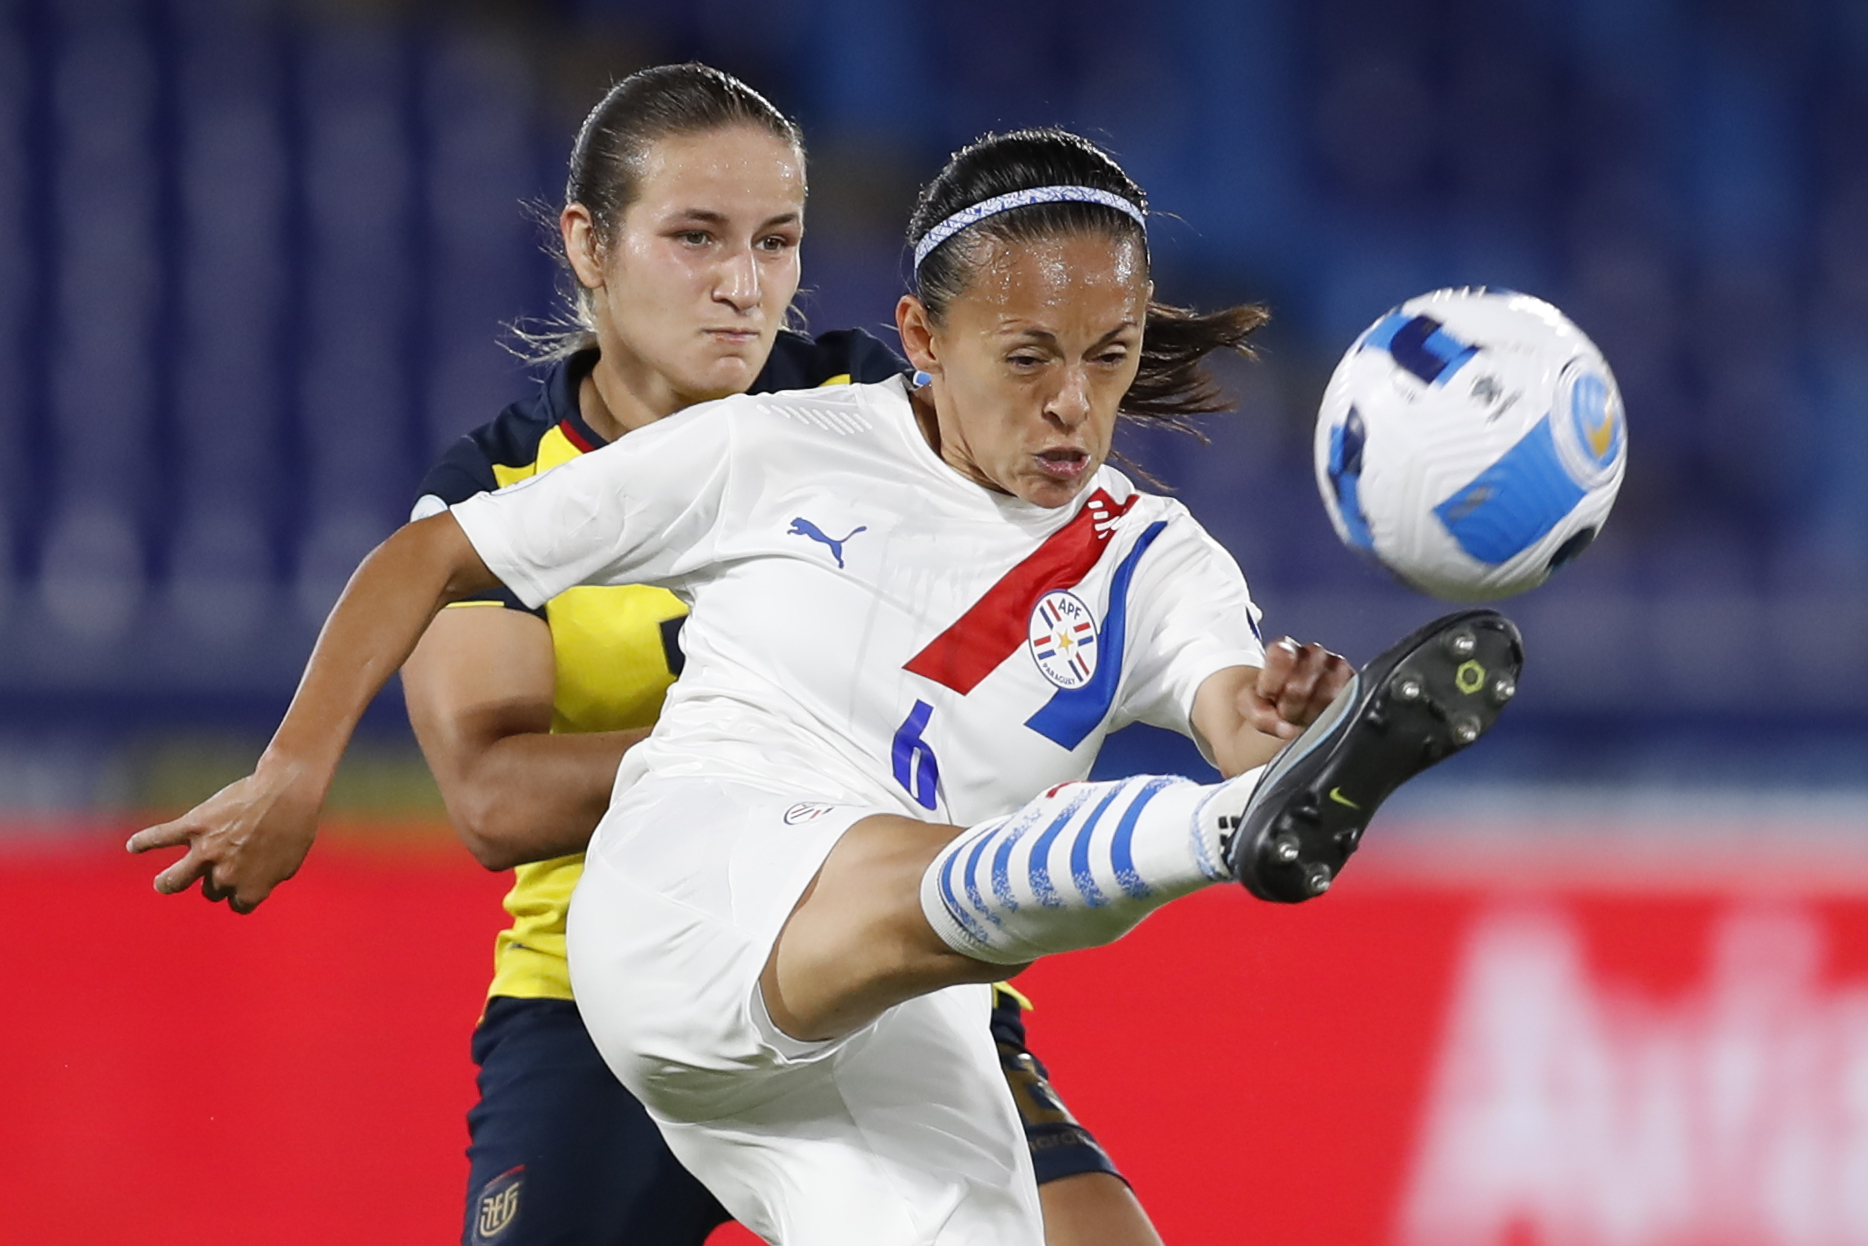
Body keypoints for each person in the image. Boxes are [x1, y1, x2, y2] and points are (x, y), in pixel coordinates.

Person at [131, 126, 1522, 1243]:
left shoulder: (1155, 555)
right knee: (890, 861)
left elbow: (1226, 707)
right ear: (923, 336)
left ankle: (1238, 819)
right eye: (1026, 360)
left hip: (905, 998)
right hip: (667, 926)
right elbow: (454, 659)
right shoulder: (774, 449)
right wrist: (297, 770)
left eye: (1105, 360)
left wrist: (1269, 727)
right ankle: (1226, 837)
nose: (1071, 407)